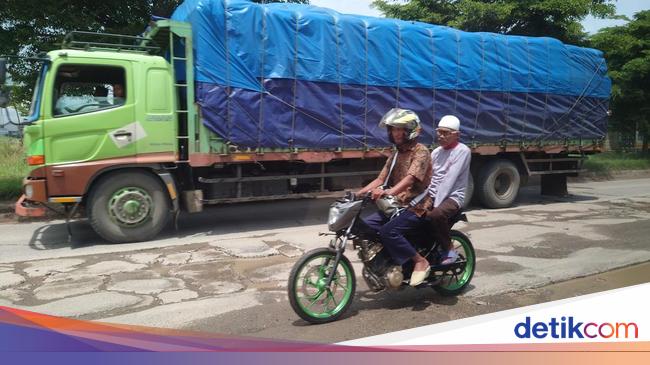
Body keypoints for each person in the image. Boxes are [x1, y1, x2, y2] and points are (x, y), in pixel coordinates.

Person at [357, 108, 433, 286]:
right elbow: (380, 179)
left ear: (410, 129)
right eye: (393, 129)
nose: (396, 133)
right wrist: (358, 193)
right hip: (398, 205)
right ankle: (386, 261)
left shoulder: (421, 151)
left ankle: (420, 261)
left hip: (418, 205)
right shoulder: (396, 153)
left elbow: (410, 179)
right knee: (365, 227)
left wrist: (388, 192)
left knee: (388, 231)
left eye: (400, 129)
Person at [418, 115, 472, 281]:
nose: (441, 136)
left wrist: (433, 205)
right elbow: (429, 178)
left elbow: (449, 181)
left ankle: (450, 249)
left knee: (435, 215)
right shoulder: (435, 152)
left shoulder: (462, 151)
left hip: (453, 197)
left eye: (445, 133)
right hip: (434, 194)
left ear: (456, 134)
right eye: (439, 132)